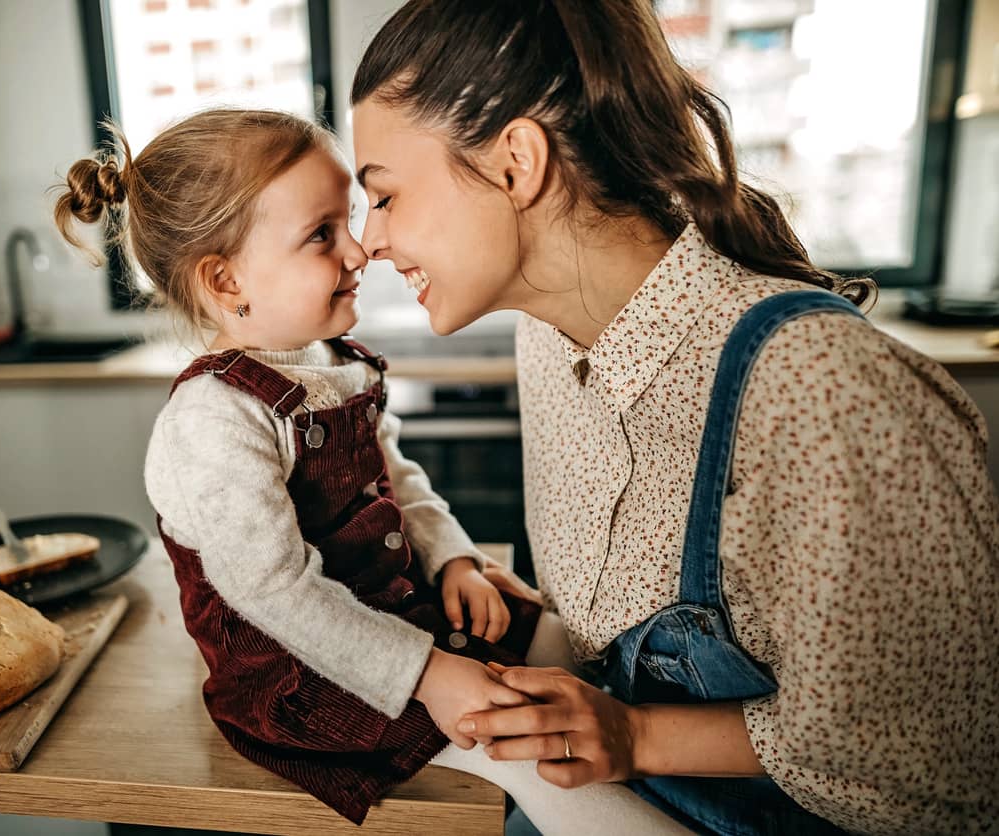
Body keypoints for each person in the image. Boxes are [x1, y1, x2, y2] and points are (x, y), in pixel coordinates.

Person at [350, 1, 999, 834]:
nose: (369, 241)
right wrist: (548, 623)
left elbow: (942, 766)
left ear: (516, 162)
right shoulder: (547, 340)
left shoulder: (821, 390)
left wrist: (636, 733)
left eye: (387, 197)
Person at [52, 109, 691, 835]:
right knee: (523, 744)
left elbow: (396, 480)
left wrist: (452, 557)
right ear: (226, 279)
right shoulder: (212, 420)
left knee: (561, 649)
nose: (360, 251)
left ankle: (668, 771)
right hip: (304, 675)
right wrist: (433, 674)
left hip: (389, 617)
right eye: (321, 234)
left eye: (349, 220)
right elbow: (277, 594)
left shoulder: (335, 362)